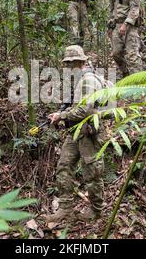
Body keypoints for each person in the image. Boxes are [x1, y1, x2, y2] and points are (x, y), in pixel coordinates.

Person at [44, 45, 105, 222]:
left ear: (79, 62)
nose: (68, 67)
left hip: (88, 133)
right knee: (64, 166)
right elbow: (76, 106)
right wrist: (62, 114)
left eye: (71, 64)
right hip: (75, 131)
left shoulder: (89, 80)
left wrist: (61, 115)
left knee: (92, 173)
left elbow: (85, 110)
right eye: (67, 64)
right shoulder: (79, 80)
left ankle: (96, 211)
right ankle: (65, 209)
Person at [107, 0, 143, 79]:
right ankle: (125, 72)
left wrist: (125, 25)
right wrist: (110, 25)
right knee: (115, 54)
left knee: (132, 55)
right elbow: (112, 10)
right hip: (116, 25)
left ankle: (138, 80)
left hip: (130, 27)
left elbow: (134, 11)